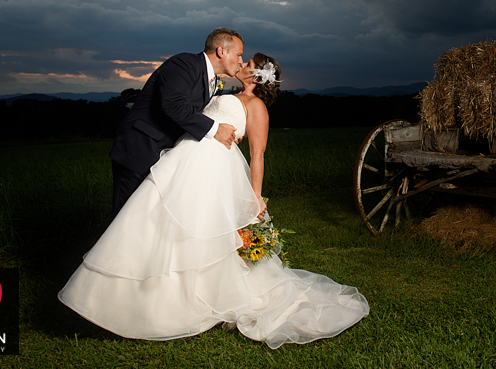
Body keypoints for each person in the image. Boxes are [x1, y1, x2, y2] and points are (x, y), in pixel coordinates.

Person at [59, 54, 369, 347]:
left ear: (258, 76)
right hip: (183, 160)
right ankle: (131, 301)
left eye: (249, 63)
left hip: (213, 169)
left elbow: (258, 155)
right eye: (243, 58)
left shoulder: (257, 106)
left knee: (199, 230)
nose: (242, 63)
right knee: (156, 221)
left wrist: (255, 196)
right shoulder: (223, 92)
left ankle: (193, 300)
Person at [109, 28, 244, 216]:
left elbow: (193, 116)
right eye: (239, 55)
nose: (241, 61)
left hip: (163, 155)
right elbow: (173, 104)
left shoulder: (211, 79)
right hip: (140, 150)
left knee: (148, 219)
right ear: (221, 51)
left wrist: (225, 135)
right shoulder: (184, 63)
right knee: (126, 219)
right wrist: (215, 130)